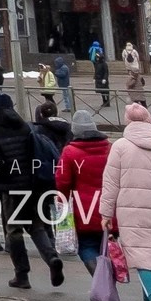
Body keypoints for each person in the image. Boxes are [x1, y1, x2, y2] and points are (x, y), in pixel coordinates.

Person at [0, 91, 64, 287]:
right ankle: (52, 259)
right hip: (32, 185)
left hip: (11, 187)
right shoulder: (25, 126)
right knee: (36, 226)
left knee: (14, 231)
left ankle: (22, 275)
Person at [106, 102, 151, 301]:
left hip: (131, 210)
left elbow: (110, 182)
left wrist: (105, 213)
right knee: (149, 256)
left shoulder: (120, 147)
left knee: (141, 258)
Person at [58, 112, 112, 279]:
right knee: (106, 247)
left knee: (87, 246)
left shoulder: (70, 151)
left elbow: (62, 182)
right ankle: (106, 281)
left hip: (84, 210)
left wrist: (62, 203)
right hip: (109, 208)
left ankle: (100, 280)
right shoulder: (110, 148)